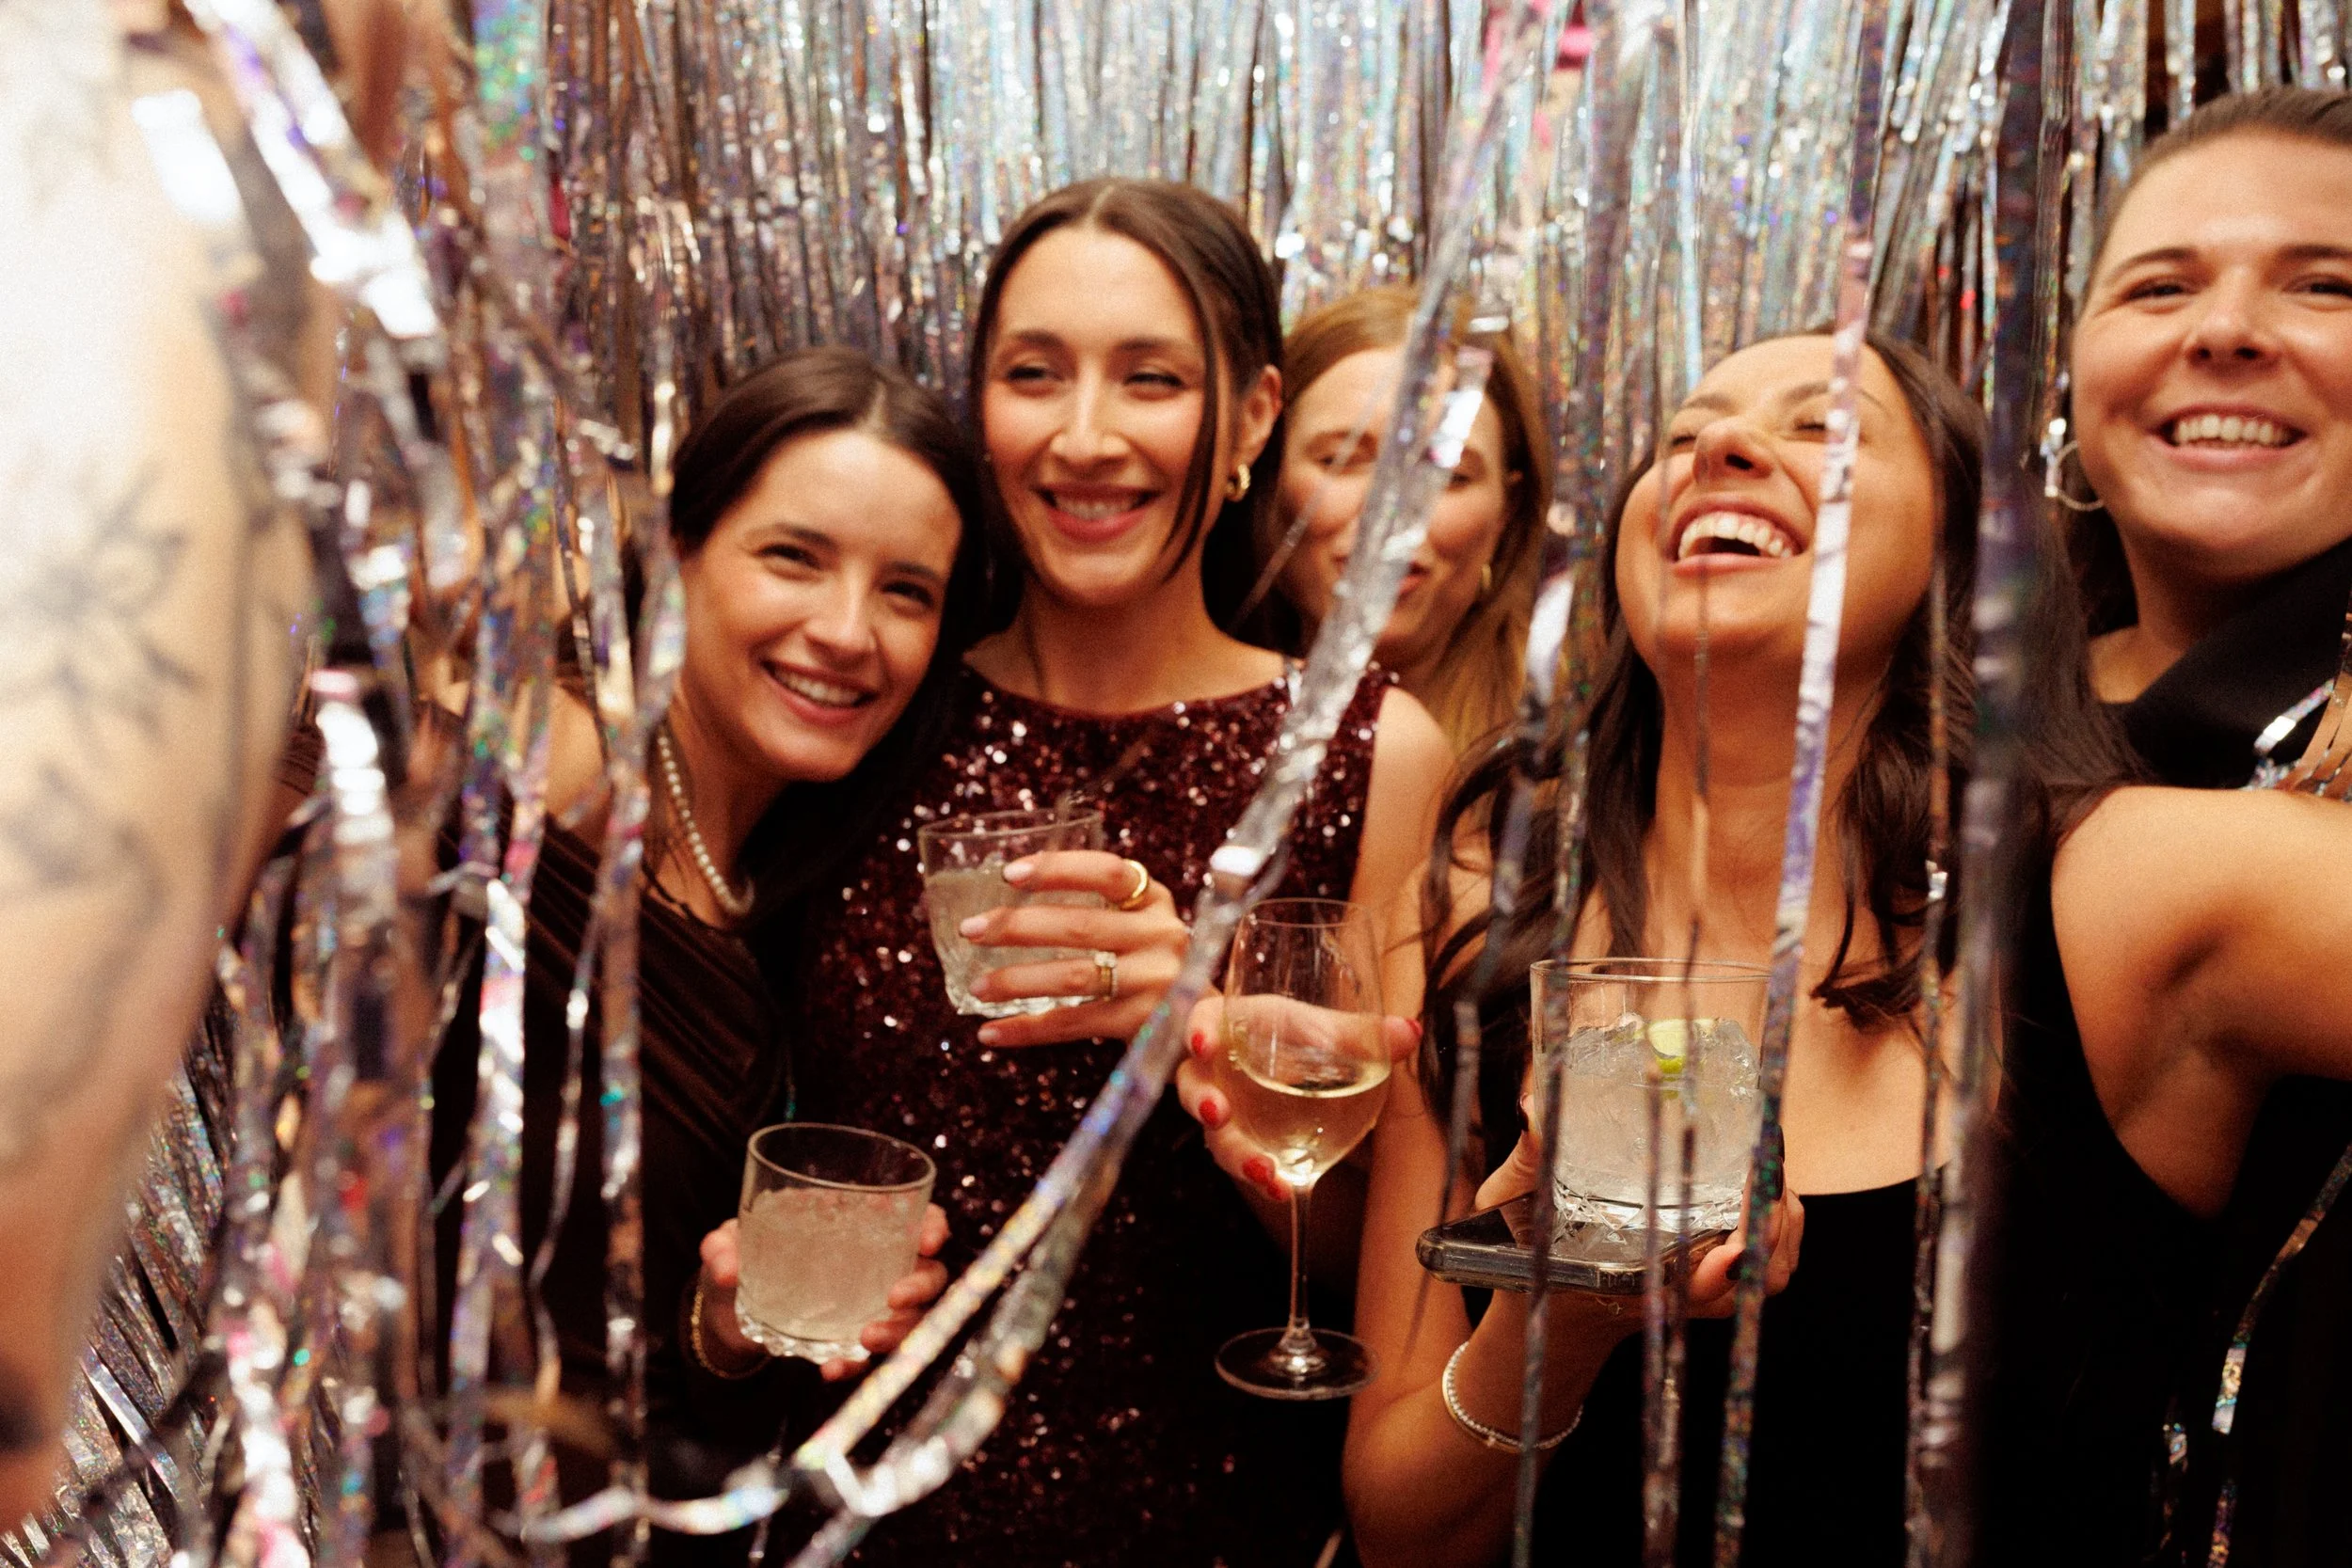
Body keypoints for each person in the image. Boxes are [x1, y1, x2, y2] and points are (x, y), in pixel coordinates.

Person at [788, 178, 1454, 1566]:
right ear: (982, 407)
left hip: (1220, 1525)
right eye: (1035, 374)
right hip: (862, 1522)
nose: (1086, 437)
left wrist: (1212, 1038)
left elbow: (1359, 1280)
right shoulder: (865, 704)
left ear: (1254, 417)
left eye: (1150, 378)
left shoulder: (1371, 749)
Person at [1323, 329, 1966, 1567]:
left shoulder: (2083, 900)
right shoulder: (1473, 911)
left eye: (1823, 426)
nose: (1719, 447)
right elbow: (1397, 1526)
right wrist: (1555, 1320)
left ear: (1960, 546)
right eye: (1681, 436)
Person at [424, 347, 986, 1559]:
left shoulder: (795, 890)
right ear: (675, 554)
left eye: (906, 591)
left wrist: (723, 1324)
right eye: (794, 557)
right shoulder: (562, 767)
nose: (846, 630)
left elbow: (622, 1338)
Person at [2037, 84, 2352, 1566]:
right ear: (2074, 367)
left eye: (2329, 285)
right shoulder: (1935, 716)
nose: (2223, 331)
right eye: (2159, 285)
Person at [1262, 286, 1551, 753]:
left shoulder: (1568, 746)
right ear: (1266, 476)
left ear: (1507, 511)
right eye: (1341, 460)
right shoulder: (1182, 727)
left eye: (1448, 474)